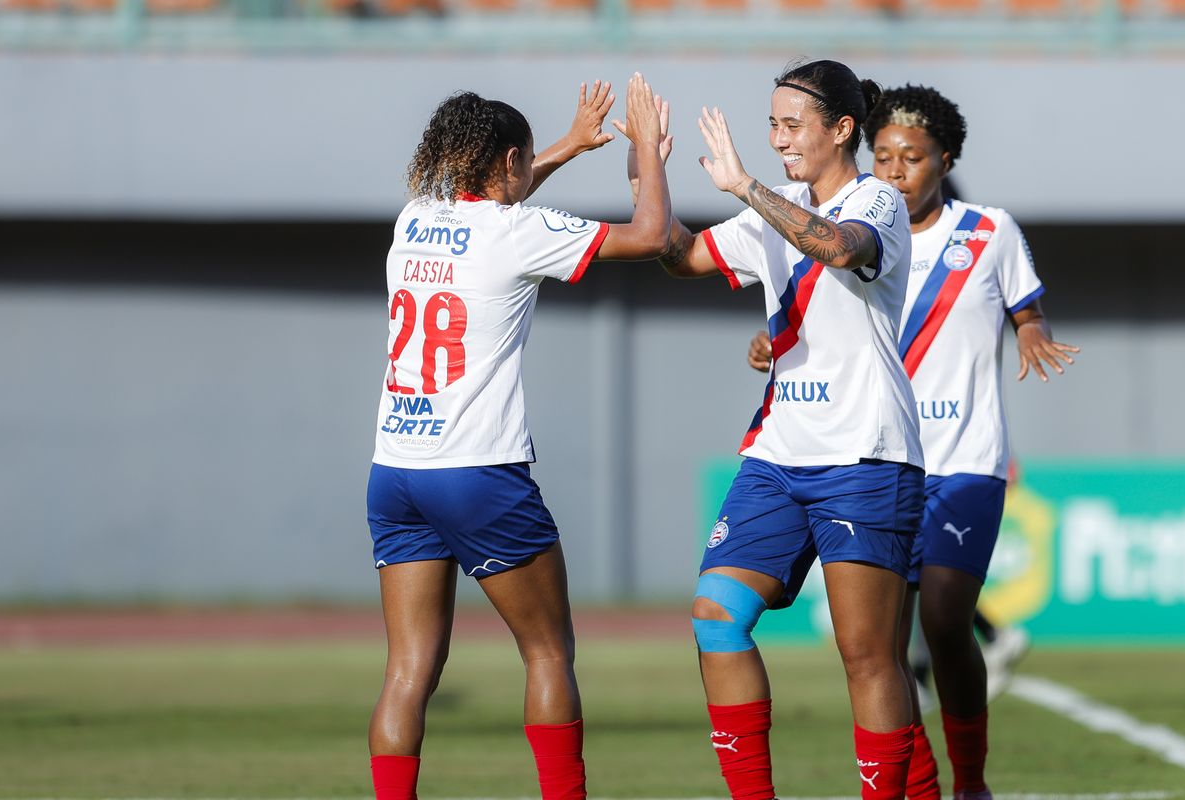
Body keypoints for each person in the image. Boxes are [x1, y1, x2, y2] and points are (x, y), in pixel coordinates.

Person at [747, 83, 1078, 800]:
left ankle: (971, 782)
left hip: (965, 460)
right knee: (883, 649)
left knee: (945, 618)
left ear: (945, 160)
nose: (896, 170)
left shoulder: (988, 231)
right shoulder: (850, 229)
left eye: (913, 157)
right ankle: (919, 789)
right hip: (883, 459)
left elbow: (1028, 310)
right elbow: (813, 320)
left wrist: (1033, 333)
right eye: (885, 156)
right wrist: (772, 342)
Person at [363, 75, 671, 800]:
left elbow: (498, 201)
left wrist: (566, 145)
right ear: (508, 162)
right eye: (526, 160)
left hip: (395, 471)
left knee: (407, 672)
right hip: (477, 472)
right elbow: (652, 236)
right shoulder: (515, 233)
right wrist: (650, 156)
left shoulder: (414, 220)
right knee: (547, 652)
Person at [640, 59, 923, 799]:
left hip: (865, 455)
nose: (777, 138)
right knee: (716, 617)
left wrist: (746, 189)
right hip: (776, 455)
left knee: (867, 655)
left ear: (843, 128)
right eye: (772, 124)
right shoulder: (773, 205)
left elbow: (840, 248)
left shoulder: (878, 199)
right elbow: (682, 257)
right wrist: (648, 169)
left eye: (792, 124)